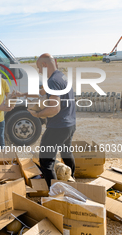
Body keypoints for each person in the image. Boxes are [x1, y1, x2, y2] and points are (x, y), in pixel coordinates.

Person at [28, 53, 76, 188]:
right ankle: (71, 180)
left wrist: (37, 114)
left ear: (44, 65)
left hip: (57, 127)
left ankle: (55, 193)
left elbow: (54, 109)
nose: (39, 71)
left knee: (46, 161)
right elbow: (43, 92)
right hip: (70, 124)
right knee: (66, 153)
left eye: (38, 68)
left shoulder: (52, 81)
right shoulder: (62, 76)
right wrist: (22, 94)